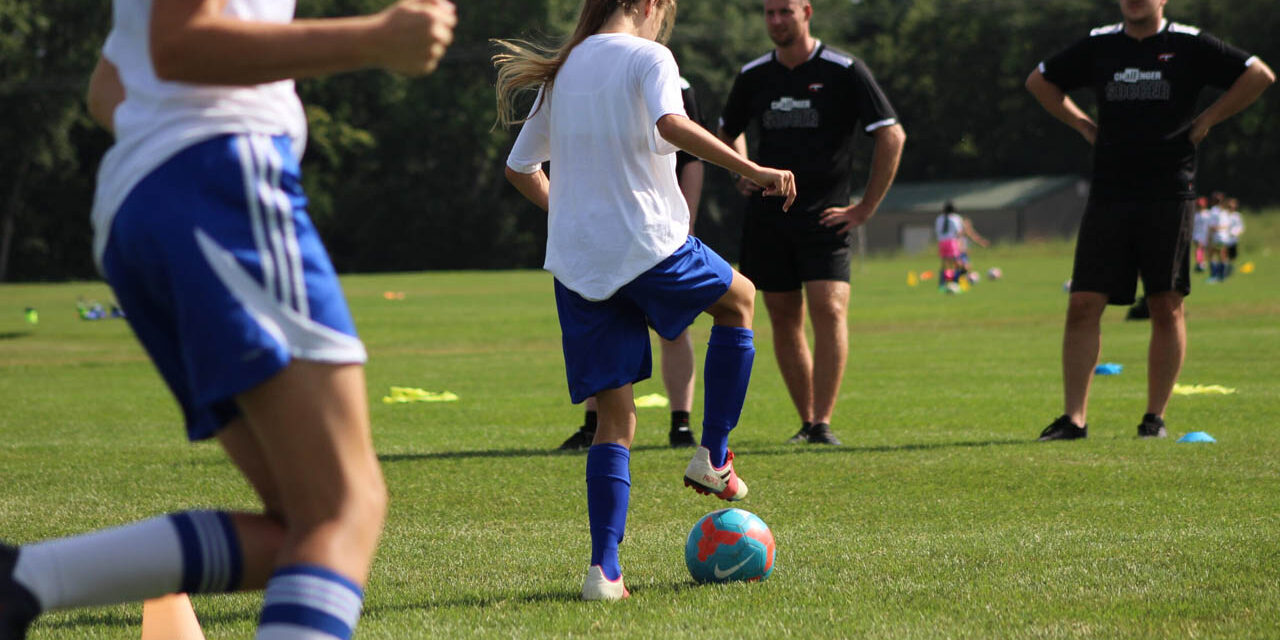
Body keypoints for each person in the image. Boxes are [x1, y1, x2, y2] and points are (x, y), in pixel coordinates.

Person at [0, 2, 455, 639]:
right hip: (219, 183)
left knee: (303, 524)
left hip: (152, 204)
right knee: (344, 509)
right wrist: (376, 40)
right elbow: (182, 47)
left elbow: (109, 86)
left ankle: (25, 581)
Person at [494, 0, 796, 600]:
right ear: (649, 5)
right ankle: (713, 455)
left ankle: (604, 573)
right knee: (741, 299)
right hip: (648, 244)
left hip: (580, 261)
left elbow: (519, 167)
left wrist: (579, 218)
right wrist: (753, 167)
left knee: (615, 418)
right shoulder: (649, 56)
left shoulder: (567, 68)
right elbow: (672, 127)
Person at [1026, 0, 1273, 441]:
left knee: (1165, 303)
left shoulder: (1189, 43)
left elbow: (1259, 74)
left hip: (1168, 191)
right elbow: (1039, 81)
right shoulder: (1100, 44)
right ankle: (1074, 420)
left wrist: (1208, 120)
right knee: (1083, 303)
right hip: (1109, 192)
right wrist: (1083, 125)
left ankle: (1154, 418)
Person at [718, 0, 905, 445]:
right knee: (783, 317)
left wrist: (865, 208)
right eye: (769, 13)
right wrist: (741, 169)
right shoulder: (753, 75)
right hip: (768, 218)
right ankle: (807, 424)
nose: (777, 21)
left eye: (785, 11)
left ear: (807, 11)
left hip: (827, 216)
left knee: (830, 308)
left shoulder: (844, 69)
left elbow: (891, 134)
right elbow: (726, 132)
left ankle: (823, 421)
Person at [557, 77, 706, 451]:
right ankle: (594, 424)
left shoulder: (674, 83)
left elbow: (691, 159)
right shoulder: (585, 80)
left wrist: (686, 220)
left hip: (657, 228)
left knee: (675, 326)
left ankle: (682, 424)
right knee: (603, 323)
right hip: (603, 229)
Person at [935, 201, 988, 292]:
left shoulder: (939, 218)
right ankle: (957, 281)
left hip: (941, 242)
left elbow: (938, 231)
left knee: (946, 264)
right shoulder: (956, 218)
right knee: (958, 263)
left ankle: (943, 284)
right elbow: (959, 233)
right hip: (952, 242)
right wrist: (961, 245)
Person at [1209, 196, 1244, 282]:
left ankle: (1221, 274)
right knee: (1222, 255)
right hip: (1224, 239)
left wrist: (1235, 233)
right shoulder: (1224, 213)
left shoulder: (1236, 216)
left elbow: (1239, 227)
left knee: (1228, 256)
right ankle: (1221, 274)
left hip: (1229, 239)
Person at [1191, 195, 1213, 272]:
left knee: (1203, 249)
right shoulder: (1195, 215)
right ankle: (1199, 263)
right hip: (1197, 234)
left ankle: (1201, 263)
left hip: (1205, 233)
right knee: (1199, 247)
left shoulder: (1207, 214)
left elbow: (1210, 225)